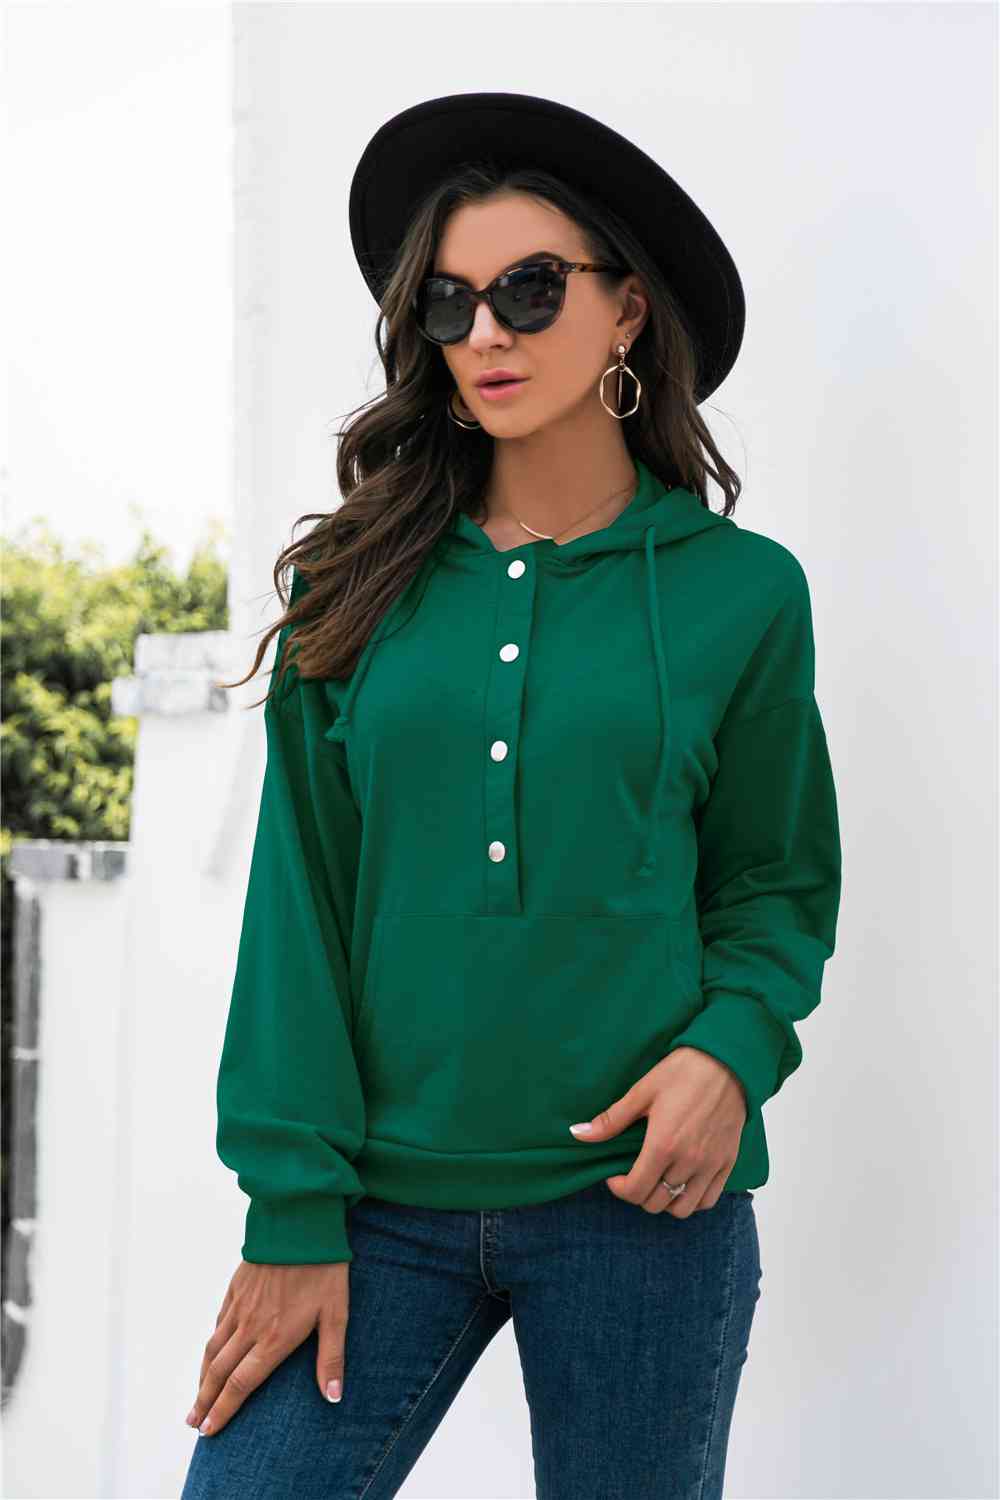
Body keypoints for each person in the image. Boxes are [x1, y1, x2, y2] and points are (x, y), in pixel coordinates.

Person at [180, 90, 841, 1500]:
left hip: (642, 1204)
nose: (486, 332)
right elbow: (298, 904)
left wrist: (731, 1052)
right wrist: (290, 1206)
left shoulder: (742, 592)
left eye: (531, 290)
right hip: (373, 1207)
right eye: (451, 301)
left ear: (627, 311)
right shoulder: (355, 581)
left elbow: (774, 877)